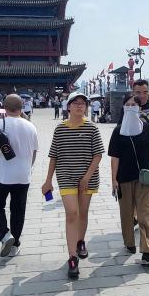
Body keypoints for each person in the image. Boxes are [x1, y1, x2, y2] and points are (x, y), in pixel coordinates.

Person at [41, 91, 104, 279]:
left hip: (88, 178)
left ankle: (80, 241)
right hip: (66, 176)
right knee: (72, 213)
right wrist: (47, 180)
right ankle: (72, 258)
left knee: (83, 213)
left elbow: (98, 155)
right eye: (75, 103)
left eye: (82, 103)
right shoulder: (60, 129)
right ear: (68, 107)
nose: (79, 106)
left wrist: (86, 177)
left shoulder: (92, 128)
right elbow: (54, 155)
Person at [108, 93, 149, 266]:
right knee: (126, 213)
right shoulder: (118, 131)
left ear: (139, 108)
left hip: (145, 176)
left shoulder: (147, 129)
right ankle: (129, 242)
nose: (131, 107)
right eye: (128, 105)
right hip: (124, 177)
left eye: (134, 105)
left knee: (145, 213)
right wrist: (113, 179)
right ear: (124, 108)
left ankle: (147, 250)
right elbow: (114, 157)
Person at [0, 94, 40, 257]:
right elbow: (34, 152)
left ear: (4, 107)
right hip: (23, 175)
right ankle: (15, 244)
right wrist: (27, 167)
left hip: (1, 175)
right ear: (22, 107)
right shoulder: (31, 126)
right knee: (18, 210)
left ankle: (4, 235)